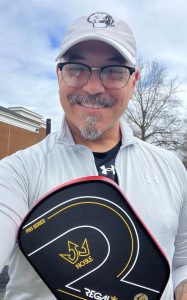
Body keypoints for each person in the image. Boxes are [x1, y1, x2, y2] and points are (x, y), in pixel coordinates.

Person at [0, 11, 187, 300]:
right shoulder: (17, 172)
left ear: (134, 81)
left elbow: (183, 260)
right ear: (58, 75)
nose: (93, 87)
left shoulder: (172, 168)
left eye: (113, 71)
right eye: (76, 68)